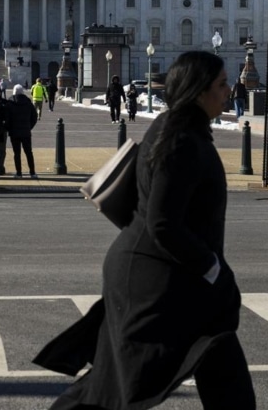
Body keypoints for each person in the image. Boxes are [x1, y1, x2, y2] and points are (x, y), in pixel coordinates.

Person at [35, 51, 254, 409]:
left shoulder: (178, 131)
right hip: (157, 281)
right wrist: (212, 268)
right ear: (199, 91)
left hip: (167, 276)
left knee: (221, 369)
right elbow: (163, 223)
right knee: (117, 386)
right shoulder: (181, 141)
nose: (230, 90)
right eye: (222, 84)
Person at [6, 83, 39, 178]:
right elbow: (34, 117)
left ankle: (19, 172)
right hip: (26, 132)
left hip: (14, 133)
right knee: (29, 153)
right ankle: (32, 172)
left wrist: (9, 128)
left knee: (17, 153)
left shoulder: (10, 103)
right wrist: (29, 126)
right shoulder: (28, 103)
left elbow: (7, 119)